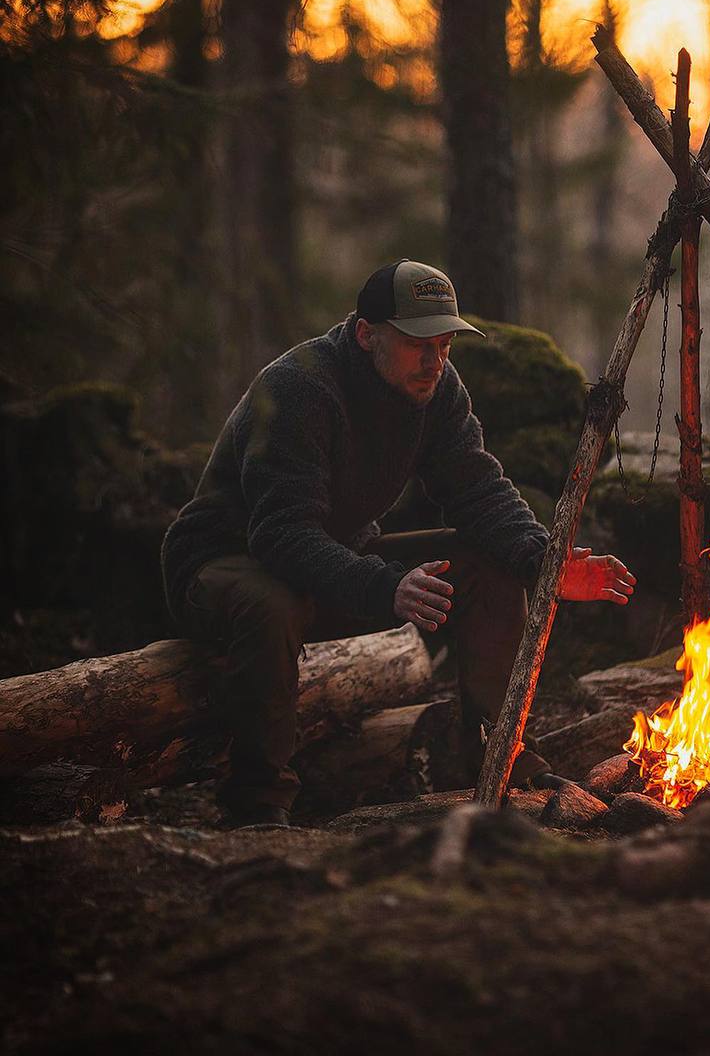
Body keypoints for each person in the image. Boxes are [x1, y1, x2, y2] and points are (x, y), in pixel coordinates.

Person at [161, 259, 636, 826]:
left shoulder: (437, 389)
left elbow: (478, 489)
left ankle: (499, 760)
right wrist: (386, 585)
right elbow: (281, 534)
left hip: (336, 556)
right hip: (224, 563)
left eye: (444, 345)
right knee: (272, 602)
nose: (435, 361)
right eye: (418, 345)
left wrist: (545, 563)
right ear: (367, 335)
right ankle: (257, 805)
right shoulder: (299, 388)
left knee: (488, 563)